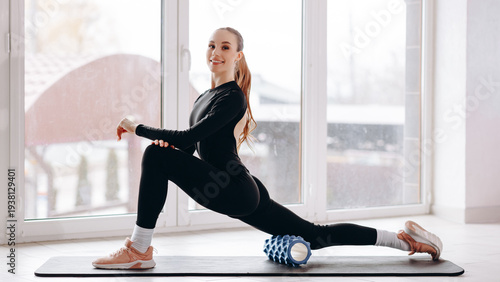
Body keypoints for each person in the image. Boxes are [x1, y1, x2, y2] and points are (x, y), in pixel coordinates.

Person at [92, 27, 442, 269]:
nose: (216, 52)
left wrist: (136, 126)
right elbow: (190, 147)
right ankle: (402, 240)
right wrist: (168, 148)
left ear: (238, 55)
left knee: (154, 154)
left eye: (225, 47)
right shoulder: (204, 97)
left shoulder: (232, 97)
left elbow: (185, 139)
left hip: (233, 188)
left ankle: (139, 249)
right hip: (239, 187)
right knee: (316, 236)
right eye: (211, 45)